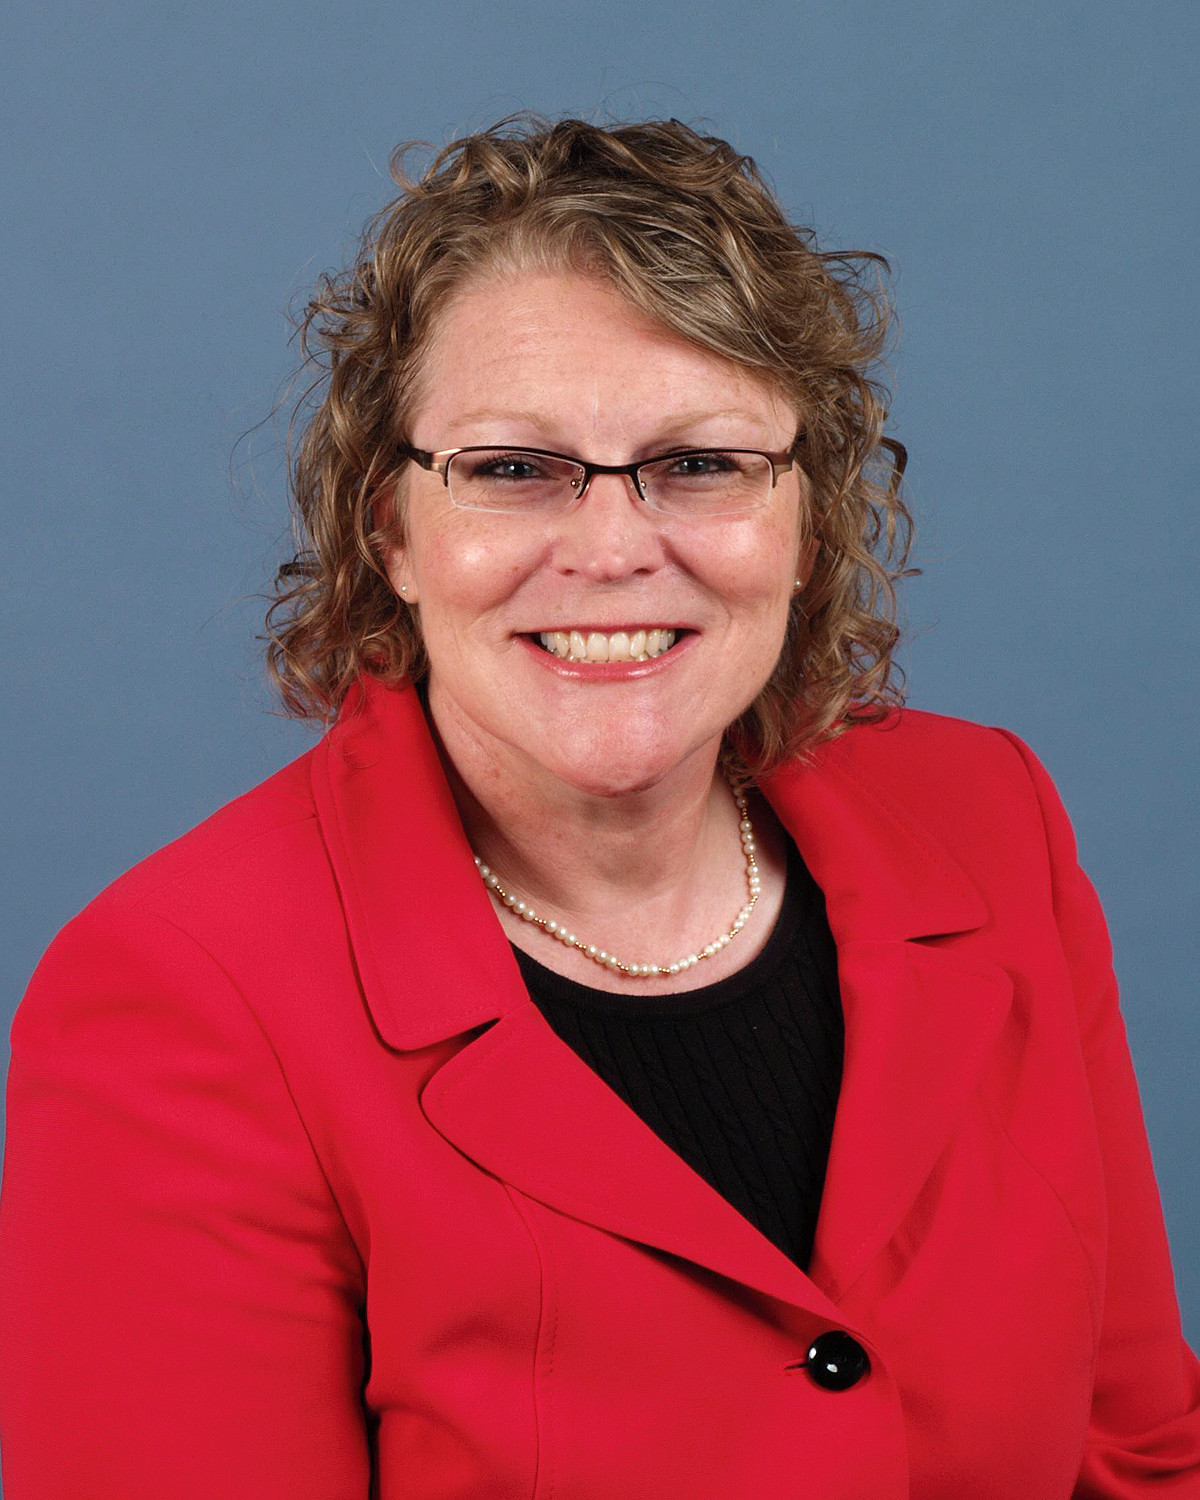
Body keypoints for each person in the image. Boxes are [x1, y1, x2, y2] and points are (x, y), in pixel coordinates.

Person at [1, 115, 1197, 1499]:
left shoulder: (987, 819)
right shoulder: (179, 998)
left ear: (807, 518)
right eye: (514, 470)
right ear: (388, 527)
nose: (617, 547)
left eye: (699, 462)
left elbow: (1140, 1455)